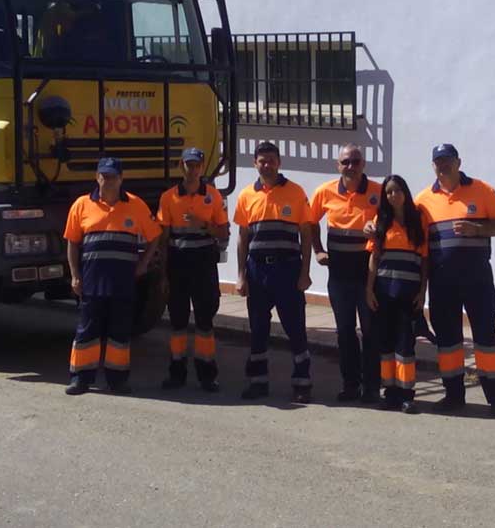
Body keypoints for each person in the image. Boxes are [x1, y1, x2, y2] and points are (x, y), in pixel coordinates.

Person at [414, 144, 495, 418]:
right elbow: (418, 247)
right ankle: (453, 396)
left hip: (477, 279)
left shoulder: (482, 190)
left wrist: (478, 229)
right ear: (433, 165)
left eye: (447, 160)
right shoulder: (423, 200)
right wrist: (421, 290)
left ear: (458, 162)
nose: (443, 165)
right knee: (447, 342)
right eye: (438, 161)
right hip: (442, 282)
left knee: (486, 338)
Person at [63, 157, 163, 395]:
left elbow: (154, 236)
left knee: (119, 332)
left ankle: (117, 380)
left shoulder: (136, 205)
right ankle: (81, 378)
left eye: (112, 177)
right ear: (97, 177)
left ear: (121, 179)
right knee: (88, 330)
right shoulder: (81, 205)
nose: (107, 181)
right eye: (103, 176)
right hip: (92, 280)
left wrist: (143, 264)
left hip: (123, 282)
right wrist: (75, 276)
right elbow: (72, 243)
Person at [233, 141, 314, 403]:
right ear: (254, 163)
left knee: (295, 327)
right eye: (261, 160)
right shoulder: (246, 195)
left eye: (271, 160)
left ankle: (302, 383)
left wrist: (305, 272)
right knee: (258, 329)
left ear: (279, 162)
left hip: (288, 269)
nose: (266, 164)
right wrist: (241, 275)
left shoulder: (296, 192)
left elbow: (306, 234)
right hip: (257, 270)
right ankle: (258, 382)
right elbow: (242, 238)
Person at [309, 144, 382, 403]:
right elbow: (308, 223)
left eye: (355, 161)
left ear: (363, 164)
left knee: (372, 332)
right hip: (339, 275)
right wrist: (318, 250)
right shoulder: (324, 191)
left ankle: (372, 386)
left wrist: (378, 229)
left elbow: (393, 223)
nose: (350, 166)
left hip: (369, 275)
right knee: (345, 331)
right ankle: (350, 384)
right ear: (337, 165)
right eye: (345, 162)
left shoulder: (378, 191)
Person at [156, 148, 229, 392]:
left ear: (201, 167)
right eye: (189, 164)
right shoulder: (168, 197)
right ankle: (176, 373)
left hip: (203, 264)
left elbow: (223, 232)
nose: (193, 169)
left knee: (205, 322)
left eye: (197, 164)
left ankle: (207, 375)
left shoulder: (213, 196)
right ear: (181, 166)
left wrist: (204, 225)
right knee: (177, 323)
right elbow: (163, 239)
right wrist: (163, 274)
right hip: (177, 264)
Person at [365, 175, 427, 414]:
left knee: (406, 345)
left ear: (405, 192)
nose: (393, 195)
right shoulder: (381, 220)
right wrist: (369, 289)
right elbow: (374, 258)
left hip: (408, 294)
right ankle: (390, 393)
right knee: (386, 345)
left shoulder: (418, 219)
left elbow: (424, 260)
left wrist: (422, 293)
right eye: (389, 192)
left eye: (397, 190)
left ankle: (407, 395)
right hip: (384, 292)